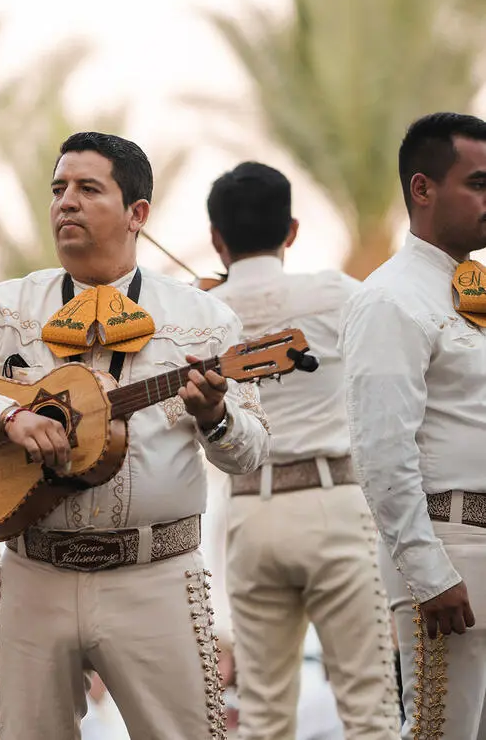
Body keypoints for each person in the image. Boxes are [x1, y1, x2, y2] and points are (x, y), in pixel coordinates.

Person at [0, 131, 271, 740]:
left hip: (157, 576)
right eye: (58, 189)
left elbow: (251, 451)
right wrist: (7, 419)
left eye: (87, 189)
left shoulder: (204, 318)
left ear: (137, 214)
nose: (64, 202)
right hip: (33, 572)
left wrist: (214, 419)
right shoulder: (6, 306)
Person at [203, 161, 399, 739]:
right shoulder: (336, 293)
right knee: (370, 707)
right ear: (290, 230)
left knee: (262, 712)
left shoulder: (204, 313)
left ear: (216, 239)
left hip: (247, 511)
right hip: (331, 500)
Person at [341, 112, 486, 738]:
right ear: (422, 189)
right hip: (449, 546)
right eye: (478, 183)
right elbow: (381, 450)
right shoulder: (390, 298)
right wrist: (428, 571)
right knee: (438, 732)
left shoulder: (473, 290)